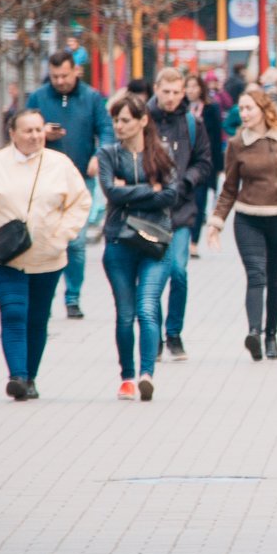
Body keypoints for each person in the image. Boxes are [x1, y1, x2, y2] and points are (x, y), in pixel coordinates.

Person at [0, 109, 91, 401]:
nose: (34, 136)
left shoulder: (59, 164)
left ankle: (30, 377)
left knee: (37, 319)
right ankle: (17, 376)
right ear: (13, 134)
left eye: (38, 130)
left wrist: (62, 235)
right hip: (5, 257)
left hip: (47, 257)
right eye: (28, 131)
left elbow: (80, 202)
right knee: (14, 312)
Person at [206, 90, 277, 360]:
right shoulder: (236, 144)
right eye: (241, 109)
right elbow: (229, 188)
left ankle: (271, 336)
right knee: (256, 275)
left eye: (249, 108)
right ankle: (254, 333)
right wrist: (216, 223)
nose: (243, 114)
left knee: (276, 280)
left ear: (263, 109)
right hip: (248, 218)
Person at [97, 94, 178, 401]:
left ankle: (147, 374)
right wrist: (149, 189)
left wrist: (128, 191)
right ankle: (127, 377)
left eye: (125, 120)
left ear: (143, 121)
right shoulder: (108, 154)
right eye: (116, 120)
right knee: (125, 313)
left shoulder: (162, 153)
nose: (119, 126)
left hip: (155, 242)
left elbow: (170, 194)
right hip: (119, 240)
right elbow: (111, 192)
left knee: (147, 307)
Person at [26, 49, 115, 319]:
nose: (60, 81)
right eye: (55, 76)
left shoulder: (92, 97)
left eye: (64, 75)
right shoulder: (39, 97)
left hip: (80, 180)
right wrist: (42, 133)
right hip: (44, 179)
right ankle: (45, 296)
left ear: (75, 70)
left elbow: (106, 130)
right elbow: (21, 129)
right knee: (45, 239)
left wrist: (99, 155)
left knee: (75, 241)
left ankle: (73, 296)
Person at [148, 68, 212, 361]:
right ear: (156, 89)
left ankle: (174, 333)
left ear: (183, 92)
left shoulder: (191, 123)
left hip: (182, 208)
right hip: (150, 209)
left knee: (178, 271)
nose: (171, 97)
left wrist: (187, 181)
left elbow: (204, 161)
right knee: (153, 276)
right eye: (166, 92)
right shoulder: (144, 120)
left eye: (176, 92)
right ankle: (155, 337)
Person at [185, 74, 224, 259]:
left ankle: (193, 242)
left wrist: (218, 166)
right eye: (188, 86)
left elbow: (216, 138)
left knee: (199, 203)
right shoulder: (180, 108)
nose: (191, 90)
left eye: (195, 86)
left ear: (201, 88)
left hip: (203, 162)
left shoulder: (211, 108)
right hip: (183, 163)